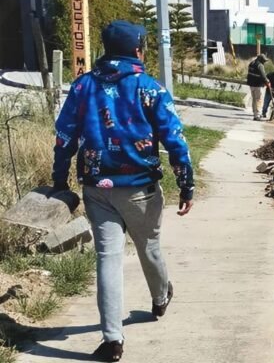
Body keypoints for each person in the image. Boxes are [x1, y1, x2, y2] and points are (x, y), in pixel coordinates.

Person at [52, 20, 194, 362]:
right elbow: (175, 139)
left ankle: (112, 339)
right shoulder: (150, 88)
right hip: (141, 189)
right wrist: (185, 183)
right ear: (137, 50)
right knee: (150, 248)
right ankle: (160, 298)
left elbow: (64, 137)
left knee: (108, 258)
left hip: (97, 189)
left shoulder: (83, 86)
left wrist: (59, 181)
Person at [246, 53, 269, 121]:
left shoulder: (251, 63)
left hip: (251, 84)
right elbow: (263, 75)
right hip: (258, 85)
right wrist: (267, 81)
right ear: (261, 59)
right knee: (258, 100)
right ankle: (257, 115)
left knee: (254, 99)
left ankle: (255, 113)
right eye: (264, 60)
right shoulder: (260, 65)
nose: (264, 62)